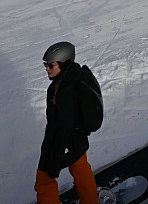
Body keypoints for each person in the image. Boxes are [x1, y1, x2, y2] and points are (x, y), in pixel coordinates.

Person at [36, 41, 100, 204]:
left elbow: (63, 127)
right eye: (45, 65)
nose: (46, 69)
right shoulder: (73, 76)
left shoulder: (64, 91)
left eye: (51, 65)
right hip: (77, 141)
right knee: (81, 170)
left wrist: (55, 157)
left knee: (44, 182)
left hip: (63, 143)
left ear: (64, 64)